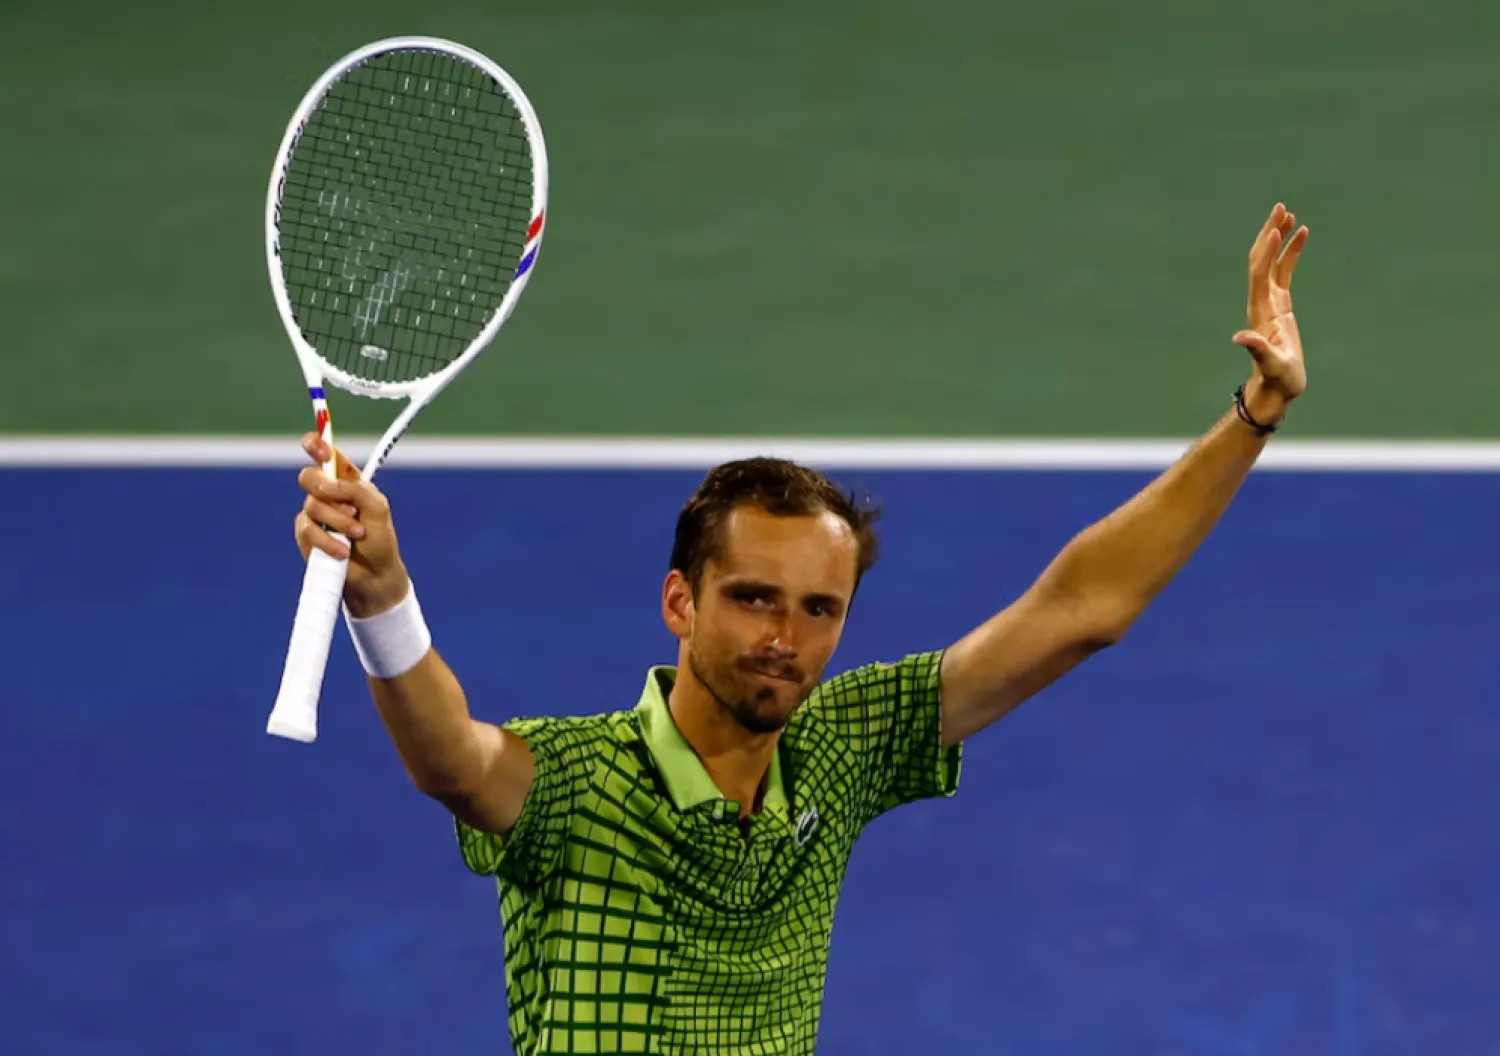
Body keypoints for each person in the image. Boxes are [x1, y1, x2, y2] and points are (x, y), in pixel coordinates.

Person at [291, 203, 1309, 1054]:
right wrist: (382, 595)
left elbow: (1081, 610)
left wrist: (1254, 413)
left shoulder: (841, 750)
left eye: (819, 609)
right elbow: (451, 762)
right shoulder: (573, 786)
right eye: (753, 598)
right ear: (680, 603)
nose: (786, 635)